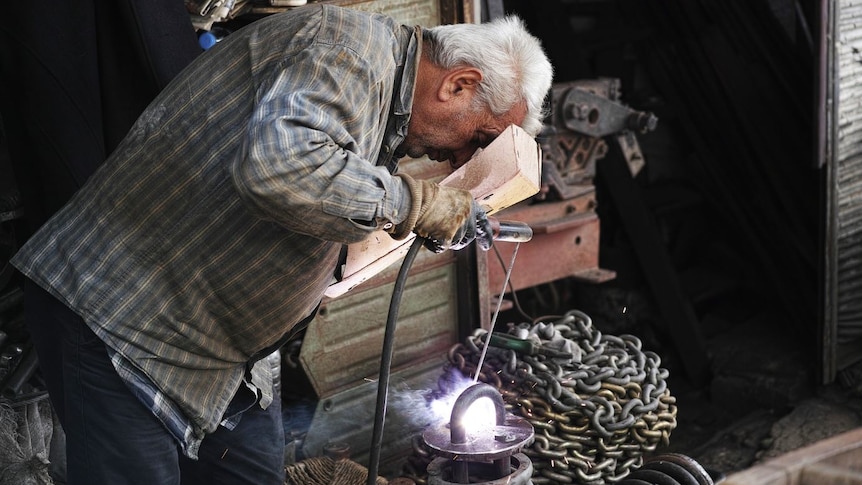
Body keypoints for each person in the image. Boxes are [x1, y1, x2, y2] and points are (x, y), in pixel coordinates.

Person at [10, 3, 553, 484]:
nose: (460, 160)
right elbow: (280, 168)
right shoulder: (346, 48)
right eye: (476, 140)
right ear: (457, 84)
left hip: (220, 361)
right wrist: (419, 205)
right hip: (123, 323)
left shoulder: (380, 96)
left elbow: (313, 193)